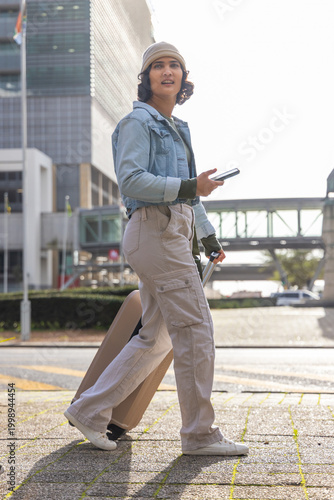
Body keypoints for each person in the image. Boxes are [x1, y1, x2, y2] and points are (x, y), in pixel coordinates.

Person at [64, 42, 248, 456]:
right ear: (146, 78)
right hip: (154, 232)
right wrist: (189, 188)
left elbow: (190, 196)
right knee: (196, 330)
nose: (167, 71)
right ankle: (199, 435)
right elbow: (131, 181)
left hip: (173, 234)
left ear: (183, 78)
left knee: (157, 337)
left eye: (175, 66)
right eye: (158, 66)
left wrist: (208, 237)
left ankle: (89, 410)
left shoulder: (177, 128)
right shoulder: (137, 123)